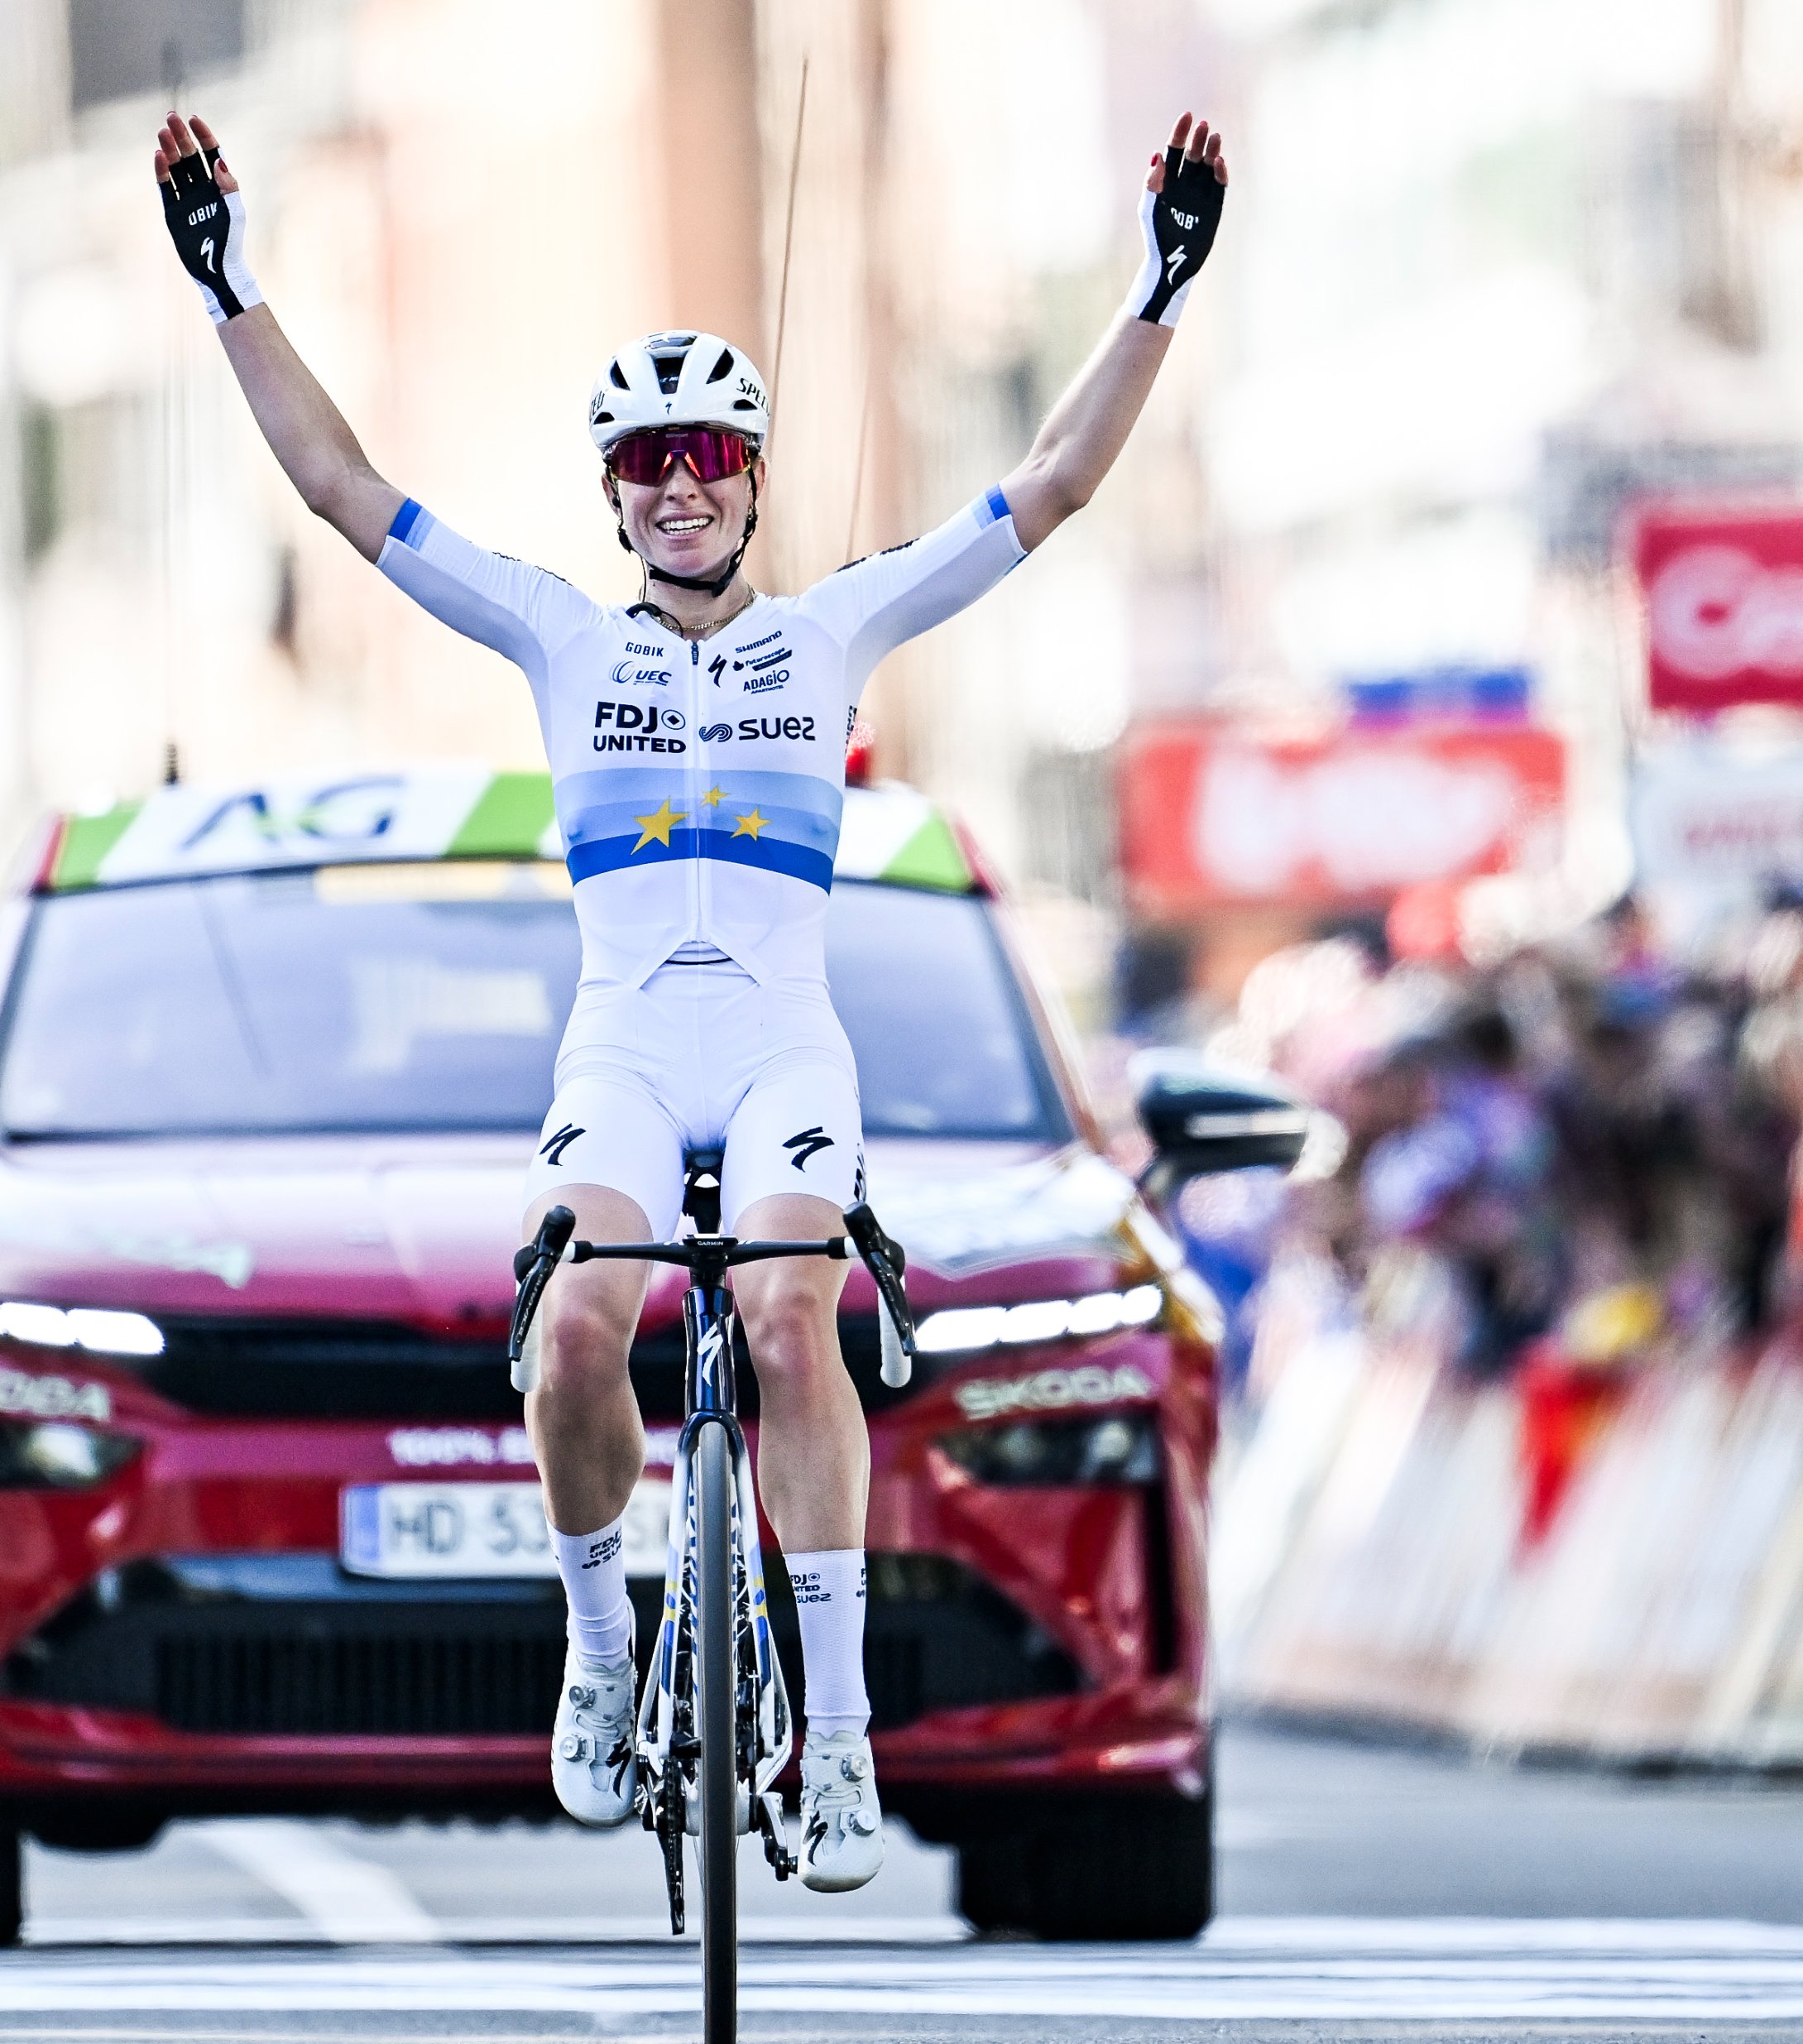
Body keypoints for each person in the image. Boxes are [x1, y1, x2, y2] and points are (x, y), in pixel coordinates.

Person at [152, 103, 1228, 1891]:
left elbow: (1046, 486)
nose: (676, 482)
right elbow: (344, 493)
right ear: (610, 488)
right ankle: (594, 1655)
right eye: (643, 456)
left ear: (750, 474)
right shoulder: (558, 638)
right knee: (575, 1331)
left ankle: (837, 1731)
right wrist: (231, 285)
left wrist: (1155, 286)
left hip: (786, 1043)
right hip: (630, 1049)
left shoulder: (838, 632)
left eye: (707, 452)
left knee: (796, 1319)